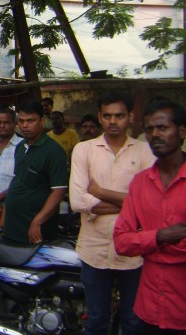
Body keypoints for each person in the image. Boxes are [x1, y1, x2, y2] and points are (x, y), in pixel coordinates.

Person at [70, 91, 155, 335]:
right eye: (107, 116)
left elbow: (150, 203)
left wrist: (99, 193)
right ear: (100, 117)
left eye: (119, 116)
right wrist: (130, 204)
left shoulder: (145, 151)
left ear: (131, 117)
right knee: (96, 319)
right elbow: (77, 201)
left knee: (133, 320)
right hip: (94, 249)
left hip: (134, 251)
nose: (113, 121)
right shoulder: (84, 150)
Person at [113, 99, 186, 334]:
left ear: (182, 132)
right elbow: (121, 242)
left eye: (162, 127)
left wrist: (144, 241)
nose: (154, 134)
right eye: (149, 129)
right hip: (150, 306)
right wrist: (160, 237)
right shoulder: (141, 182)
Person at [0, 100, 68, 244]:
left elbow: (59, 192)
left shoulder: (53, 151)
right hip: (12, 228)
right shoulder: (20, 147)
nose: (24, 125)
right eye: (21, 121)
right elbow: (17, 182)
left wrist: (37, 222)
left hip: (35, 231)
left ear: (42, 121)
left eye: (30, 121)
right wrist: (3, 219)